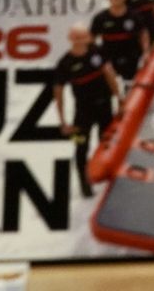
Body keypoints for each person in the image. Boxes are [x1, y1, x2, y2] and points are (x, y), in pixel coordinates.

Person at [52, 24, 120, 197]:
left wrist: (119, 97)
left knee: (107, 143)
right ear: (71, 39)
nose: (83, 41)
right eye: (78, 38)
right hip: (82, 112)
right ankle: (84, 182)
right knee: (80, 146)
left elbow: (109, 72)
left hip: (104, 106)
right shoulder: (64, 63)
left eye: (85, 37)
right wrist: (62, 121)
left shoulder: (97, 51)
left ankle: (108, 177)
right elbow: (58, 92)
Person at [90, 0, 147, 80]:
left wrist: (146, 52)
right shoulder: (100, 18)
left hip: (132, 59)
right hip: (109, 61)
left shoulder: (134, 15)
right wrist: (97, 57)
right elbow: (91, 39)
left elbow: (143, 33)